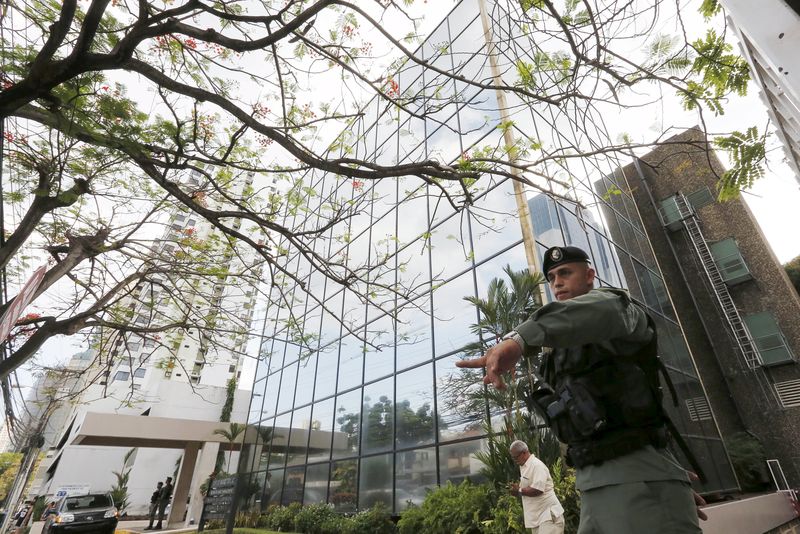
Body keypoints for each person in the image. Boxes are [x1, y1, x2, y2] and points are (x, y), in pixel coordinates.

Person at [457, 245, 706, 534]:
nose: (557, 283)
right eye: (551, 278)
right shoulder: (560, 349)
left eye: (565, 273)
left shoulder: (620, 312)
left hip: (638, 483)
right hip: (594, 488)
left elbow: (599, 312)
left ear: (590, 275)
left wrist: (518, 340)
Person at [509, 440, 564, 534]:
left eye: (516, 457)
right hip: (538, 519)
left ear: (524, 453)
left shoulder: (536, 465)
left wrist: (519, 490)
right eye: (513, 458)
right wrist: (517, 490)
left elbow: (538, 489)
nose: (515, 460)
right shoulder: (525, 466)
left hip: (548, 516)